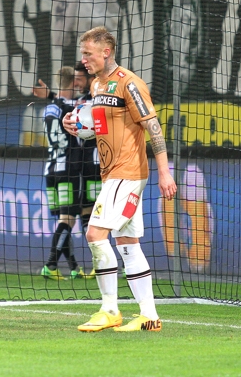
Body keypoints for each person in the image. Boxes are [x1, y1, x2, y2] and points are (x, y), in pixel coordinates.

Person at [64, 26, 177, 333]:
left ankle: (110, 309)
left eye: (88, 53)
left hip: (126, 173)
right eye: (83, 53)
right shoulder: (97, 85)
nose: (84, 59)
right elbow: (100, 127)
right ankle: (149, 316)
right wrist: (77, 127)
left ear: (106, 52)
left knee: (95, 234)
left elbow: (153, 128)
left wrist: (164, 172)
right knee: (127, 242)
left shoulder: (130, 83)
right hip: (112, 174)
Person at [40, 65, 94, 280]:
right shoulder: (75, 107)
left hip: (50, 168)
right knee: (68, 220)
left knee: (65, 219)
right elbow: (90, 102)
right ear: (73, 82)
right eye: (78, 81)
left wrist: (50, 95)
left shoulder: (49, 108)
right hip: (69, 169)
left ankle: (73, 267)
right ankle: (51, 265)